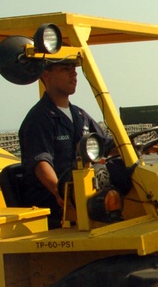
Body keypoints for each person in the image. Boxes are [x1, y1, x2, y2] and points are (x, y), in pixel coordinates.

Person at [18, 60, 113, 227]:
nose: (74, 74)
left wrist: (136, 147)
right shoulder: (39, 119)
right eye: (65, 69)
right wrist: (61, 193)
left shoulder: (79, 115)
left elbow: (106, 144)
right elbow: (41, 162)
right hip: (56, 205)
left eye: (74, 69)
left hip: (85, 194)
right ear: (46, 75)